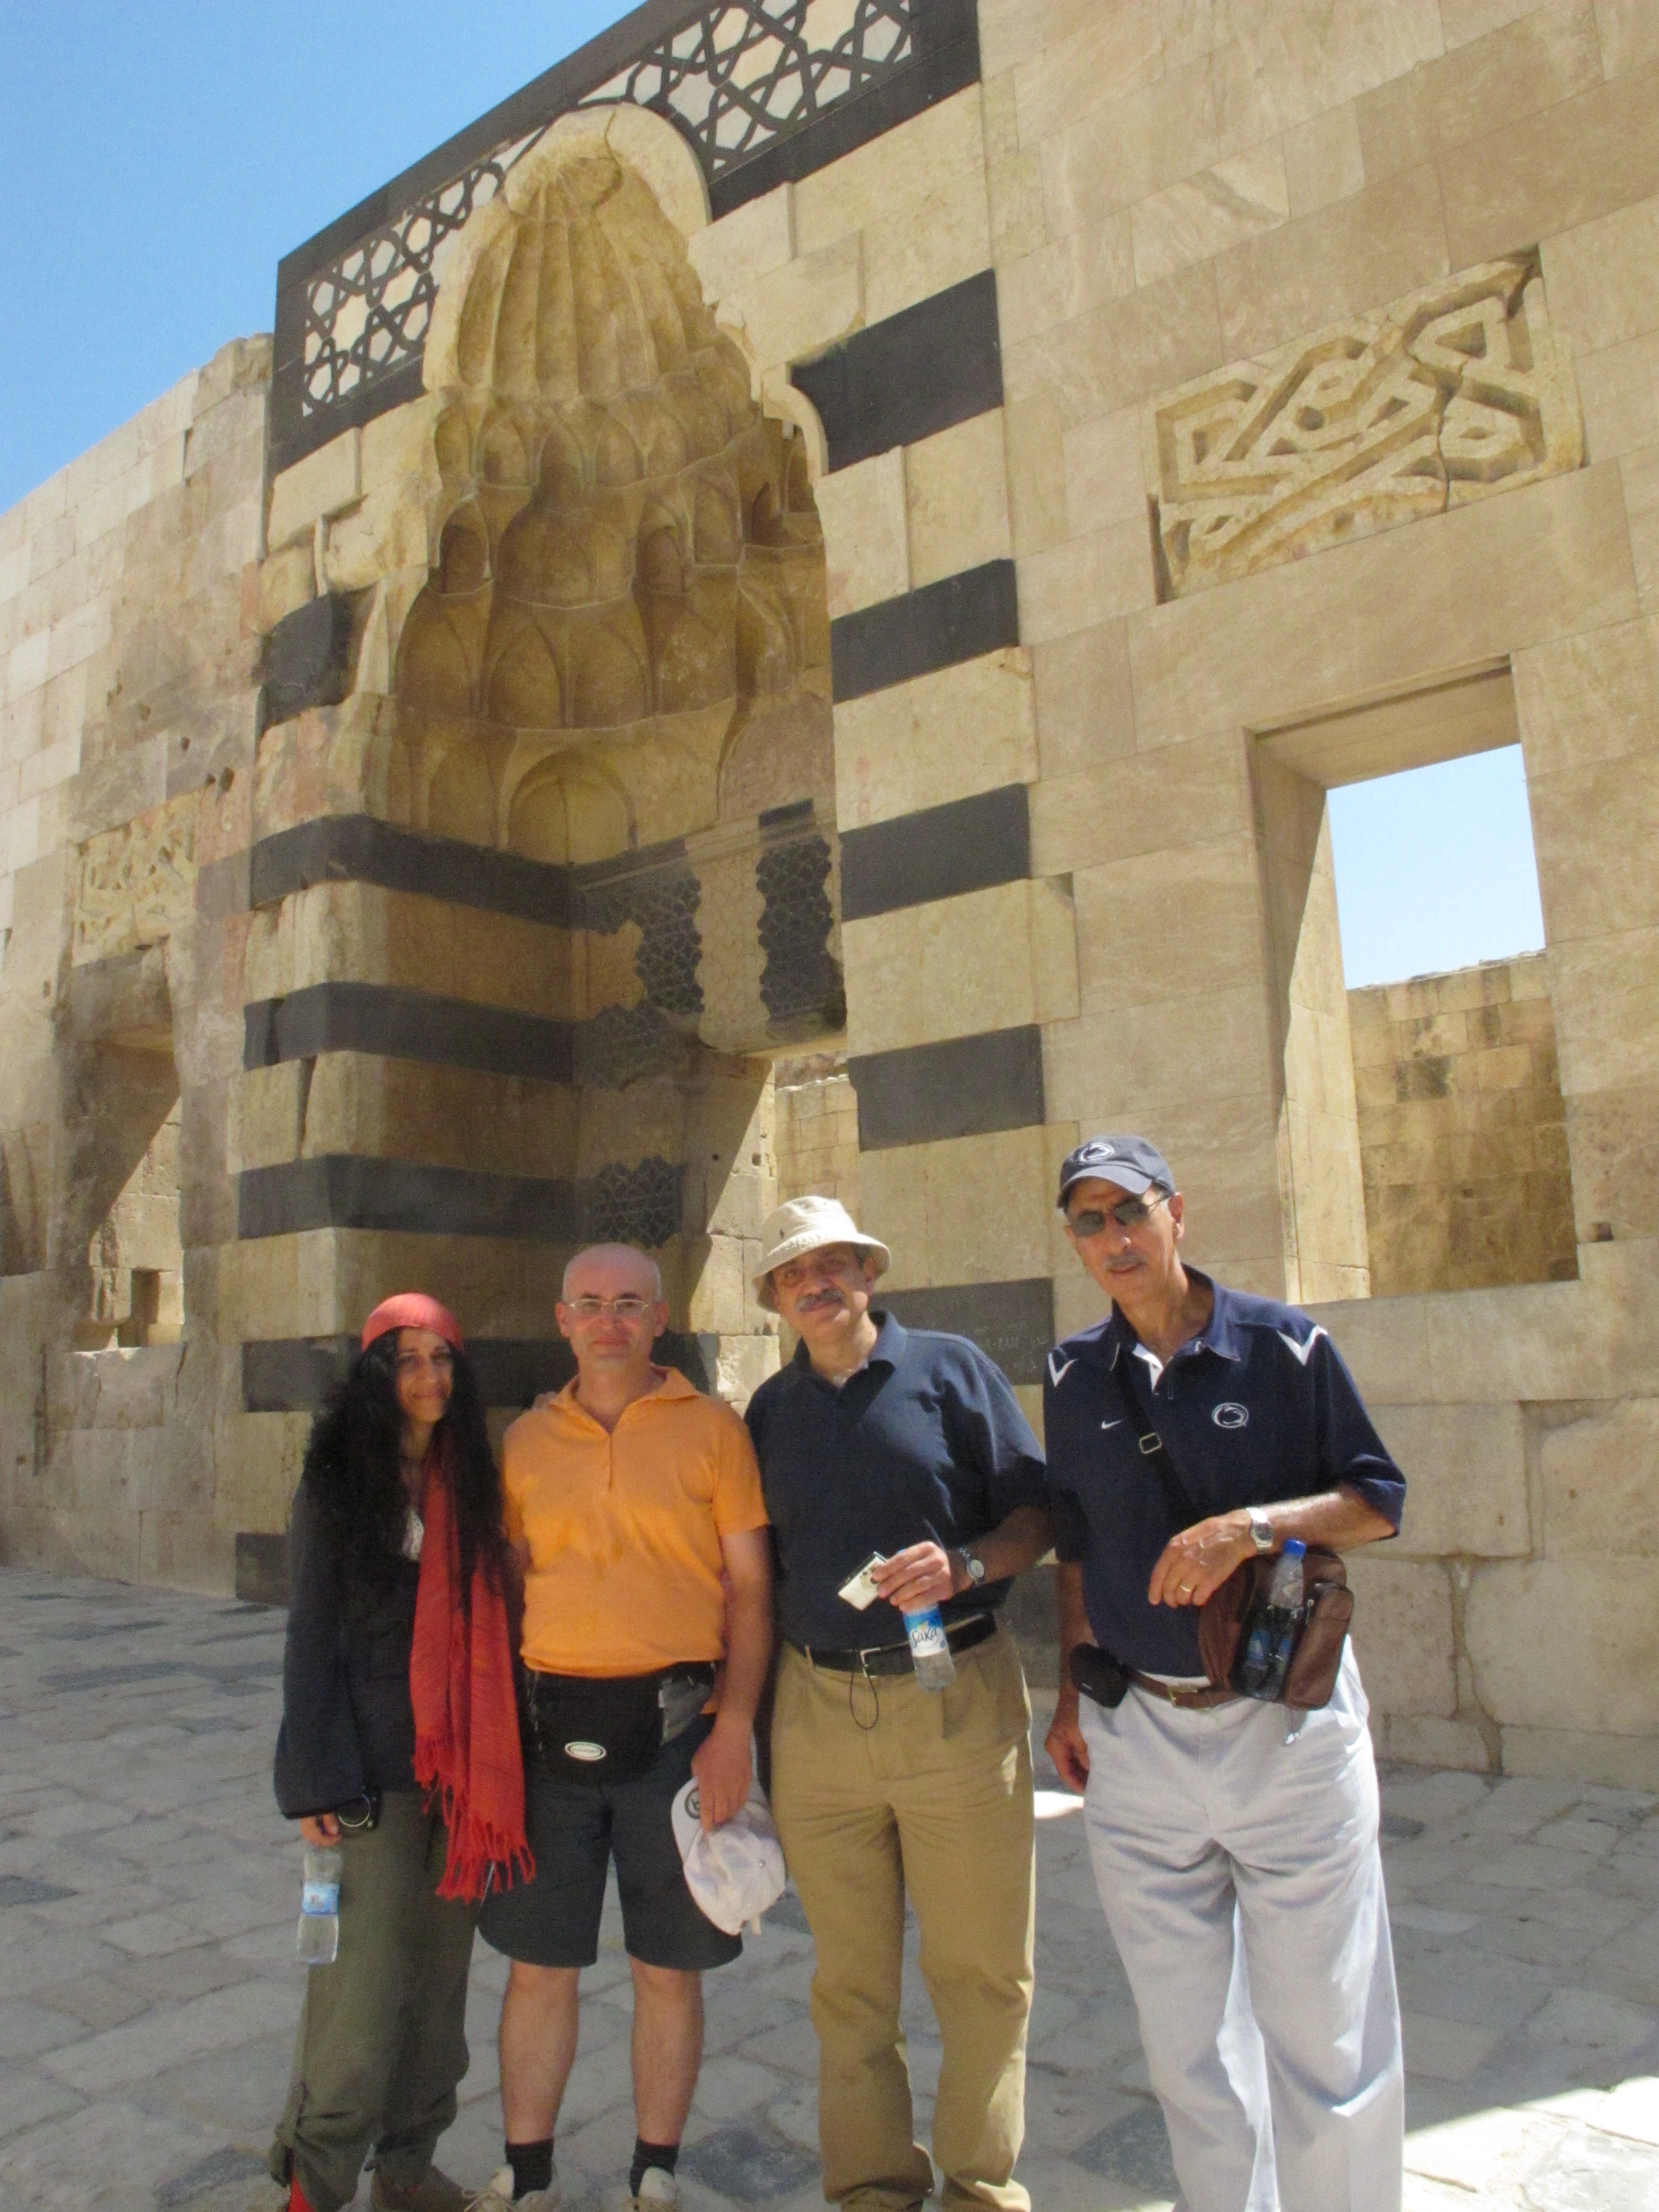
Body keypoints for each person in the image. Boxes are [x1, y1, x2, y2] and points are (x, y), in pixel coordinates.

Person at [1042, 1136, 1407, 2212]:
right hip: (1139, 1736)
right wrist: (1070, 1692)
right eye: (1090, 1221)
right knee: (1187, 2048)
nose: (1115, 1238)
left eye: (1130, 1211)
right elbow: (1076, 1541)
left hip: (1283, 1727)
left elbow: (1377, 1501)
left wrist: (1249, 1529)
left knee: (1327, 2035)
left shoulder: (1285, 1348)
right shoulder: (1072, 1373)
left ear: (1177, 1212)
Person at [745, 1195, 1051, 2212]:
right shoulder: (770, 1412)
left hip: (954, 1701)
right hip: (818, 1714)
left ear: (869, 1273)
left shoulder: (952, 1371)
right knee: (849, 1986)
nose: (817, 1284)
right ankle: (872, 2189)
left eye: (832, 1263)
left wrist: (968, 1564)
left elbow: (1037, 1515)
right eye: (795, 1272)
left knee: (982, 1971)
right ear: (776, 1298)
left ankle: (980, 2188)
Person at [475, 1244, 773, 2212]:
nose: (610, 1321)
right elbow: (507, 1587)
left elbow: (750, 1588)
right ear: (562, 1319)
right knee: (537, 1969)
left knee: (667, 1969)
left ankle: (655, 2172)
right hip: (547, 1736)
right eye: (592, 1304)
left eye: (629, 1304)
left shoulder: (714, 1430)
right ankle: (527, 2176)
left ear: (660, 1317)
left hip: (678, 1735)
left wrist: (733, 1728)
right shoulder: (526, 1442)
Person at [269, 1293, 528, 2212]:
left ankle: (409, 2168)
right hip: (370, 1776)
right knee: (359, 1996)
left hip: (460, 1778)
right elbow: (311, 1633)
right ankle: (316, 2181)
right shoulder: (338, 1484)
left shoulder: (475, 1480)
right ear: (378, 1376)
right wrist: (313, 1780)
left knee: (438, 1990)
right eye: (408, 1360)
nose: (429, 1378)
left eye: (443, 1359)